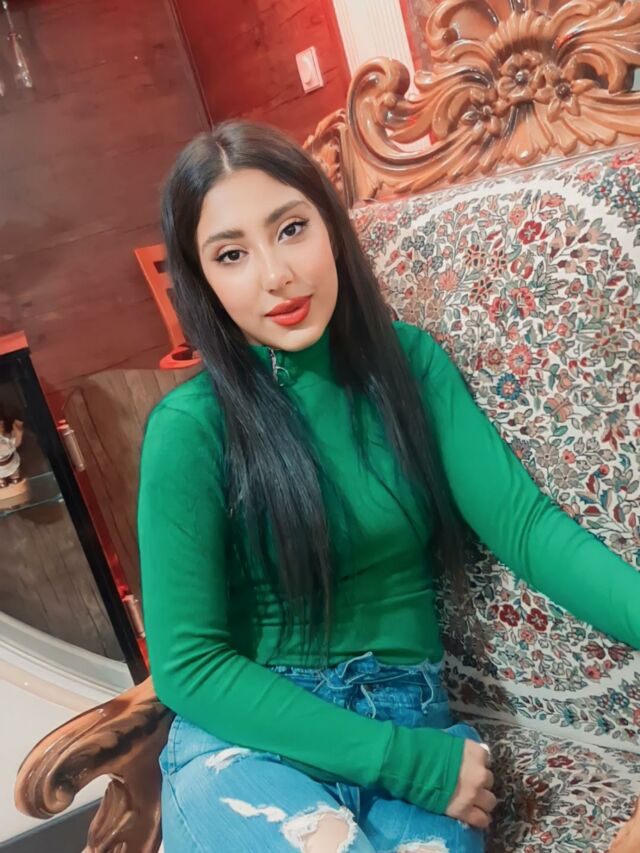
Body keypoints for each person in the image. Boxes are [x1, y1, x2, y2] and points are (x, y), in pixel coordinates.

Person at [138, 120, 640, 853]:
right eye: (232, 254)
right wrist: (408, 763)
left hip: (407, 710)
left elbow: (528, 528)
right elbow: (188, 665)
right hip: (255, 737)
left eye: (291, 229)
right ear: (203, 280)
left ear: (331, 229)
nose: (276, 275)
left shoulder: (410, 366)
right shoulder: (190, 429)